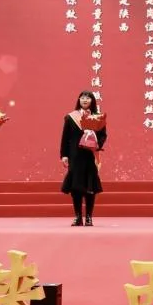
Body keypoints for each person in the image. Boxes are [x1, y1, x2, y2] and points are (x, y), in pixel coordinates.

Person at [60, 91, 107, 226]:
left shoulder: (98, 117)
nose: (85, 100)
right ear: (79, 100)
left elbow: (103, 135)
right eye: (82, 98)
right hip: (75, 156)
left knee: (90, 187)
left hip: (90, 155)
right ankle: (78, 217)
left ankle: (89, 217)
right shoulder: (71, 117)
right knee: (76, 187)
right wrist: (64, 155)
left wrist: (96, 143)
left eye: (88, 98)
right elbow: (65, 138)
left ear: (92, 101)